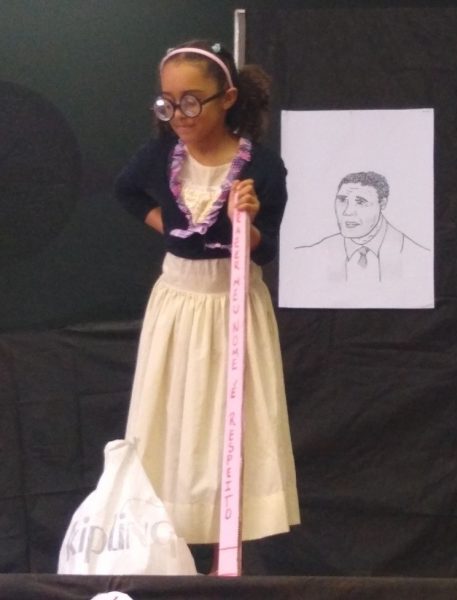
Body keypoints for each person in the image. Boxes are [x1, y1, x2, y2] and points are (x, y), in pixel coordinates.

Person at [114, 40, 300, 572]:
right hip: (178, 307)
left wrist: (248, 221)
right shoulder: (158, 157)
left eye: (192, 101)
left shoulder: (262, 167)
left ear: (227, 99)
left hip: (231, 305)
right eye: (168, 103)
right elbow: (127, 192)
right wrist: (171, 228)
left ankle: (227, 555)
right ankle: (169, 553)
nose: (180, 114)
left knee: (231, 424)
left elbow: (268, 245)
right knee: (174, 420)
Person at [295, 171, 430, 285]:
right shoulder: (307, 257)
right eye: (342, 200)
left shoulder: (420, 258)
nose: (347, 212)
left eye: (360, 202)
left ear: (382, 204)